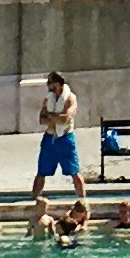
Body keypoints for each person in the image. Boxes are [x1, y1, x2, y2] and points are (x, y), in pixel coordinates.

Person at [35, 74, 82, 209]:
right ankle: (34, 199)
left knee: (74, 171)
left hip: (65, 138)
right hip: (50, 138)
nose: (48, 86)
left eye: (51, 83)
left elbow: (65, 119)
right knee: (41, 171)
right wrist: (56, 117)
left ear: (58, 83)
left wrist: (50, 116)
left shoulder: (70, 98)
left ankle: (82, 199)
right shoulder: (47, 99)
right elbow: (42, 120)